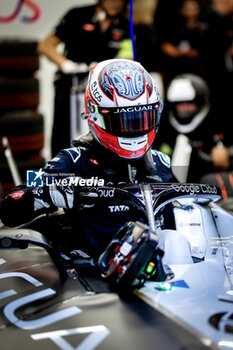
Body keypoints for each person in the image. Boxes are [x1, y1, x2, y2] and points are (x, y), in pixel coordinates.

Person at [0, 59, 189, 265]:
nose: (134, 130)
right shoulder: (72, 161)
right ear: (95, 116)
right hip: (91, 279)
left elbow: (178, 228)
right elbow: (10, 204)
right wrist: (47, 191)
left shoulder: (160, 163)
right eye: (122, 121)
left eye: (141, 119)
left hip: (154, 275)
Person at [37, 0, 133, 157]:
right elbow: (46, 45)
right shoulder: (78, 15)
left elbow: (128, 57)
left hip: (102, 93)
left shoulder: (124, 24)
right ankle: (60, 174)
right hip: (70, 88)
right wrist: (66, 64)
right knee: (63, 135)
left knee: (100, 137)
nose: (115, 3)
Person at [154, 73, 233, 182]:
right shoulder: (162, 128)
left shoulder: (218, 124)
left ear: (201, 103)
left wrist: (227, 154)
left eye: (189, 103)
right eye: (179, 104)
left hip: (209, 189)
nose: (184, 108)